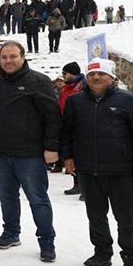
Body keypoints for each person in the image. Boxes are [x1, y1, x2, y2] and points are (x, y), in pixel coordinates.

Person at [61, 57, 133, 266]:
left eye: (101, 74)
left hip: (121, 171)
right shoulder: (76, 102)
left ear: (112, 77)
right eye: (91, 74)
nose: (96, 77)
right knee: (96, 216)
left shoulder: (129, 101)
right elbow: (67, 132)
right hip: (88, 169)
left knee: (126, 219)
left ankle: (131, 261)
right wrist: (67, 157)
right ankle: (102, 253)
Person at [0, 41, 61, 262]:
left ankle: (46, 241)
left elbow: (53, 116)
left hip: (30, 154)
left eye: (12, 56)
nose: (8, 61)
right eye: (4, 57)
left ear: (23, 57)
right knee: (7, 198)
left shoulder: (39, 81)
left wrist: (51, 147)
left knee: (38, 199)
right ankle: (11, 233)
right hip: (1, 153)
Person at [56, 62, 85, 197]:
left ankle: (86, 188)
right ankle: (77, 184)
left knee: (82, 158)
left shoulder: (83, 86)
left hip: (81, 126)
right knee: (71, 156)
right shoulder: (66, 88)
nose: (63, 76)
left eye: (65, 73)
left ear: (73, 73)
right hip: (67, 125)